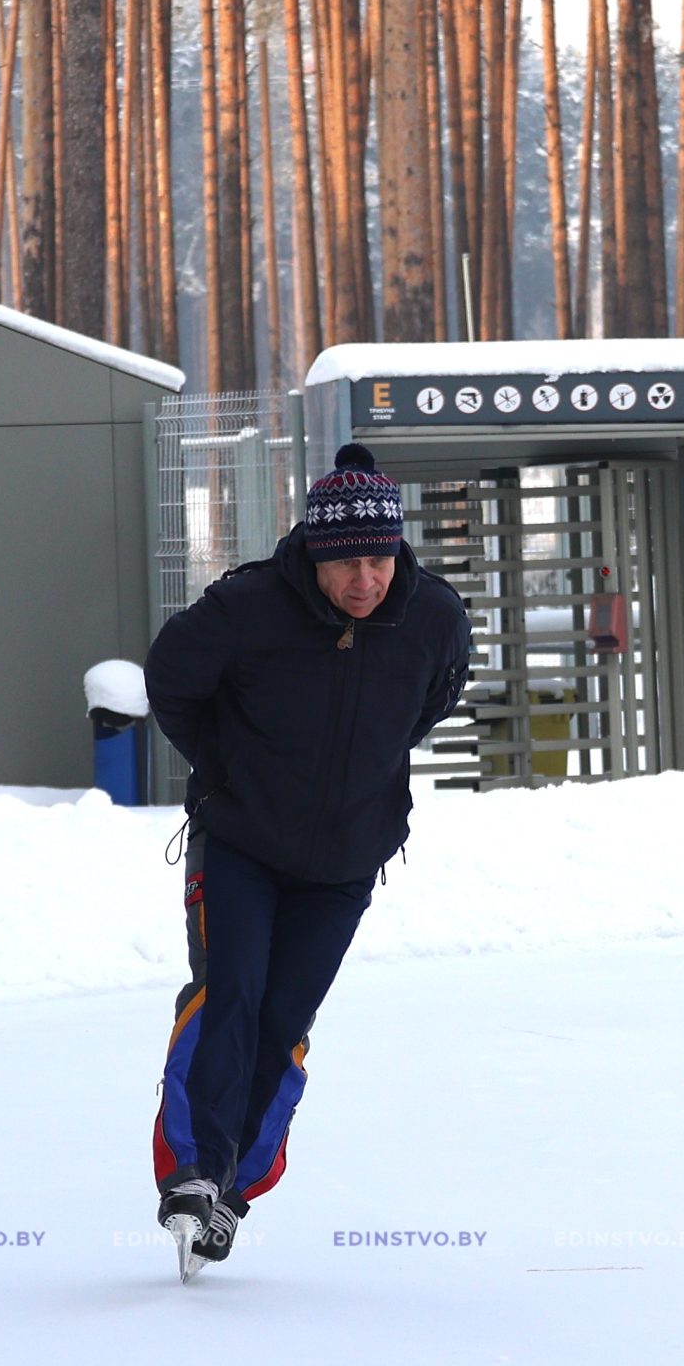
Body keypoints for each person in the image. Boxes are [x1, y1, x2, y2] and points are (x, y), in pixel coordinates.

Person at [143, 443, 471, 1275]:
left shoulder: (432, 615)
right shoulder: (249, 606)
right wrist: (222, 770)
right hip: (243, 843)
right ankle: (194, 1176)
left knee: (284, 1023)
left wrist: (369, 777)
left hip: (343, 862)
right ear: (315, 558)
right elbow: (171, 678)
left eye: (380, 559)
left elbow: (435, 698)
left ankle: (233, 1192)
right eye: (348, 563)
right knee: (232, 995)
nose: (367, 580)